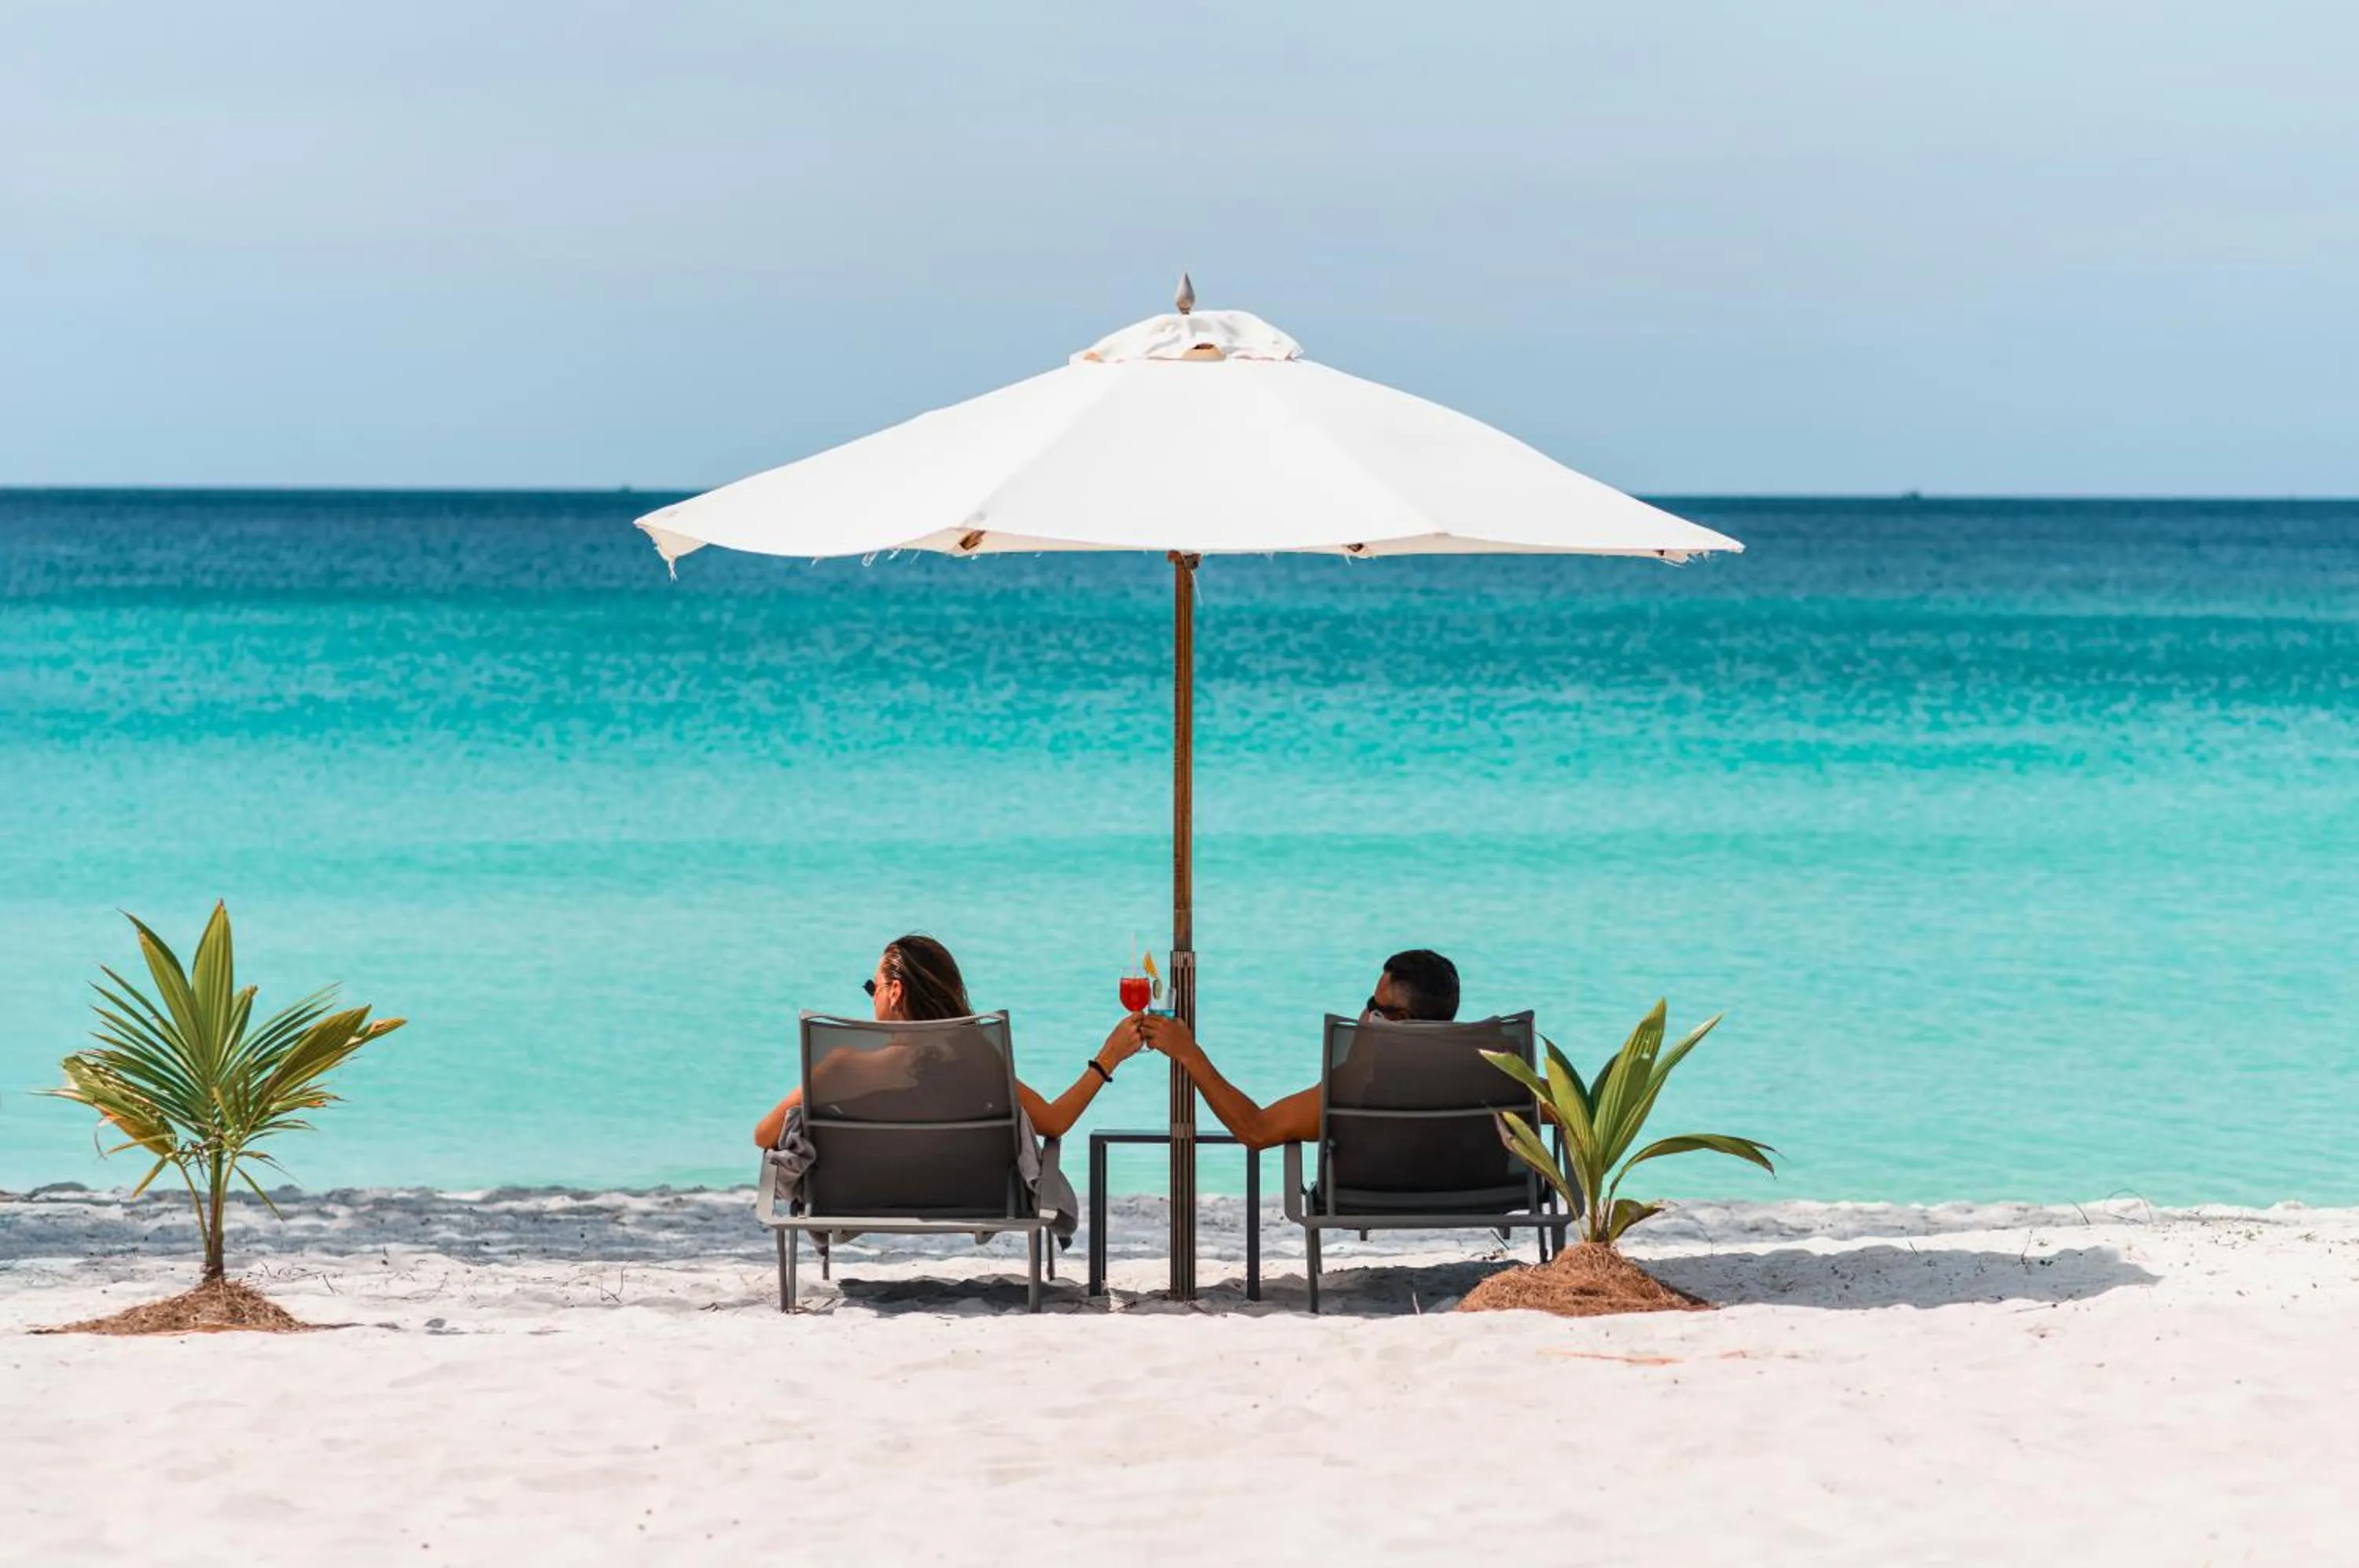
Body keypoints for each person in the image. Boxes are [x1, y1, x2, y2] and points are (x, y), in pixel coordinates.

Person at [753, 933, 1145, 1150]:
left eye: (874, 987)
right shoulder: (976, 1060)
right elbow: (1055, 1122)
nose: (872, 998)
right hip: (969, 1200)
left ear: (895, 992)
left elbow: (765, 1136)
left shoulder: (842, 1067)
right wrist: (1107, 1058)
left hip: (854, 1198)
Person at [1133, 948, 1460, 1150]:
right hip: (1464, 1199)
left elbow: (1256, 1130)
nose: (1366, 1013)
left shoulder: (1359, 1088)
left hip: (1367, 1199)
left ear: (1401, 1020)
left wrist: (1188, 1053)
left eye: (1376, 1007)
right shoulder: (1476, 1073)